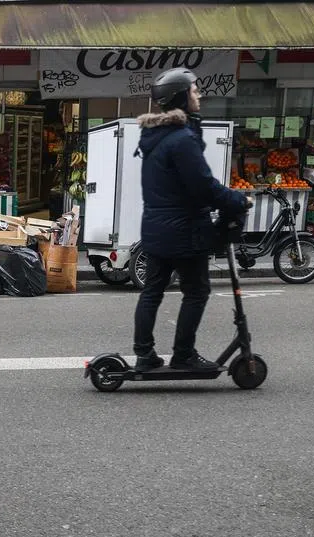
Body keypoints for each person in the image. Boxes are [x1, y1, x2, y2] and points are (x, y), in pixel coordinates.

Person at [132, 68, 249, 371]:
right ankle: (183, 355)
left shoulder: (156, 137)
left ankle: (144, 356)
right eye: (194, 90)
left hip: (157, 229)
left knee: (152, 292)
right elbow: (203, 186)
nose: (199, 95)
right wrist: (238, 199)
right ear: (181, 97)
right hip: (184, 231)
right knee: (197, 291)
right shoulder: (182, 139)